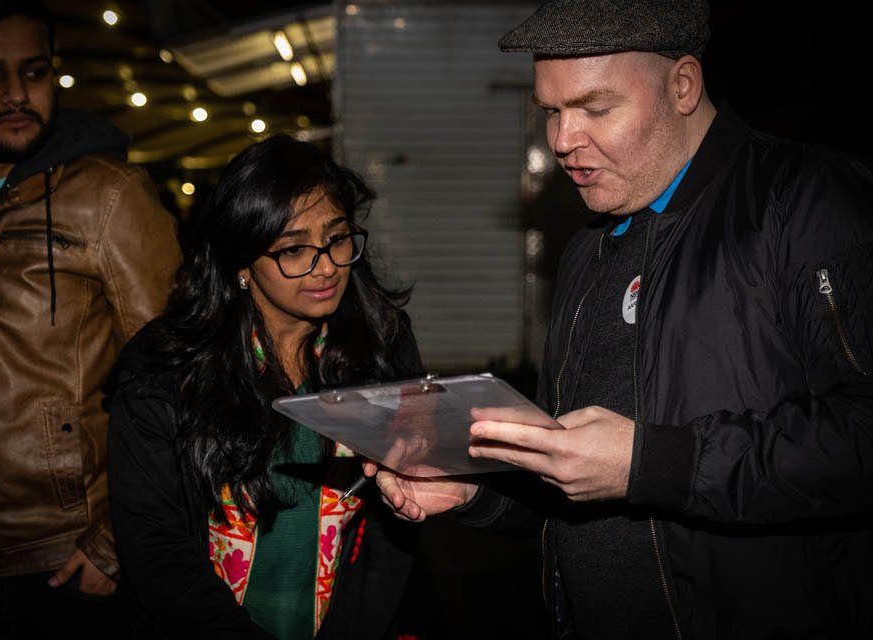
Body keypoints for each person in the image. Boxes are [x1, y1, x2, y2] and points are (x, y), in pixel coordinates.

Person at [367, 1, 873, 638]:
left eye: (596, 108)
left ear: (682, 86)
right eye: (550, 111)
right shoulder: (588, 249)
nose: (560, 141)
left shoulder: (806, 201)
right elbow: (575, 476)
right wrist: (478, 494)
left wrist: (653, 463)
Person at [0, 0, 180, 635]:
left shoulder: (108, 197)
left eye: (33, 73)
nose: (15, 94)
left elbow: (182, 376)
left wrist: (118, 541)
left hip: (66, 564)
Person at [106, 135, 421, 639]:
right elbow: (157, 551)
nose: (325, 266)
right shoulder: (165, 369)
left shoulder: (381, 344)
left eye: (337, 239)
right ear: (242, 263)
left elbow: (394, 529)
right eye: (294, 249)